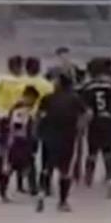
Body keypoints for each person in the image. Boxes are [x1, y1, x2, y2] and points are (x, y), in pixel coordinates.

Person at [35, 74, 86, 212]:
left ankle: (41, 196)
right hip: (67, 138)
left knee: (46, 168)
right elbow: (85, 115)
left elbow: (39, 116)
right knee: (65, 171)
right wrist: (80, 131)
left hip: (48, 137)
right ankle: (62, 202)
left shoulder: (47, 98)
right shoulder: (75, 99)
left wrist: (37, 133)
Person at [79, 58, 111, 195]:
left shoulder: (87, 87)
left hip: (95, 121)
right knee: (109, 152)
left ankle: (88, 180)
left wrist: (81, 126)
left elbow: (86, 109)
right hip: (109, 120)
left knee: (92, 152)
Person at [0, 86, 39, 204]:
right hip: (18, 142)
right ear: (28, 96)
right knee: (12, 166)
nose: (33, 103)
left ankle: (29, 187)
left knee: (24, 165)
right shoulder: (20, 109)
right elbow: (17, 126)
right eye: (33, 100)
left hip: (21, 142)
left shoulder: (22, 108)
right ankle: (4, 191)